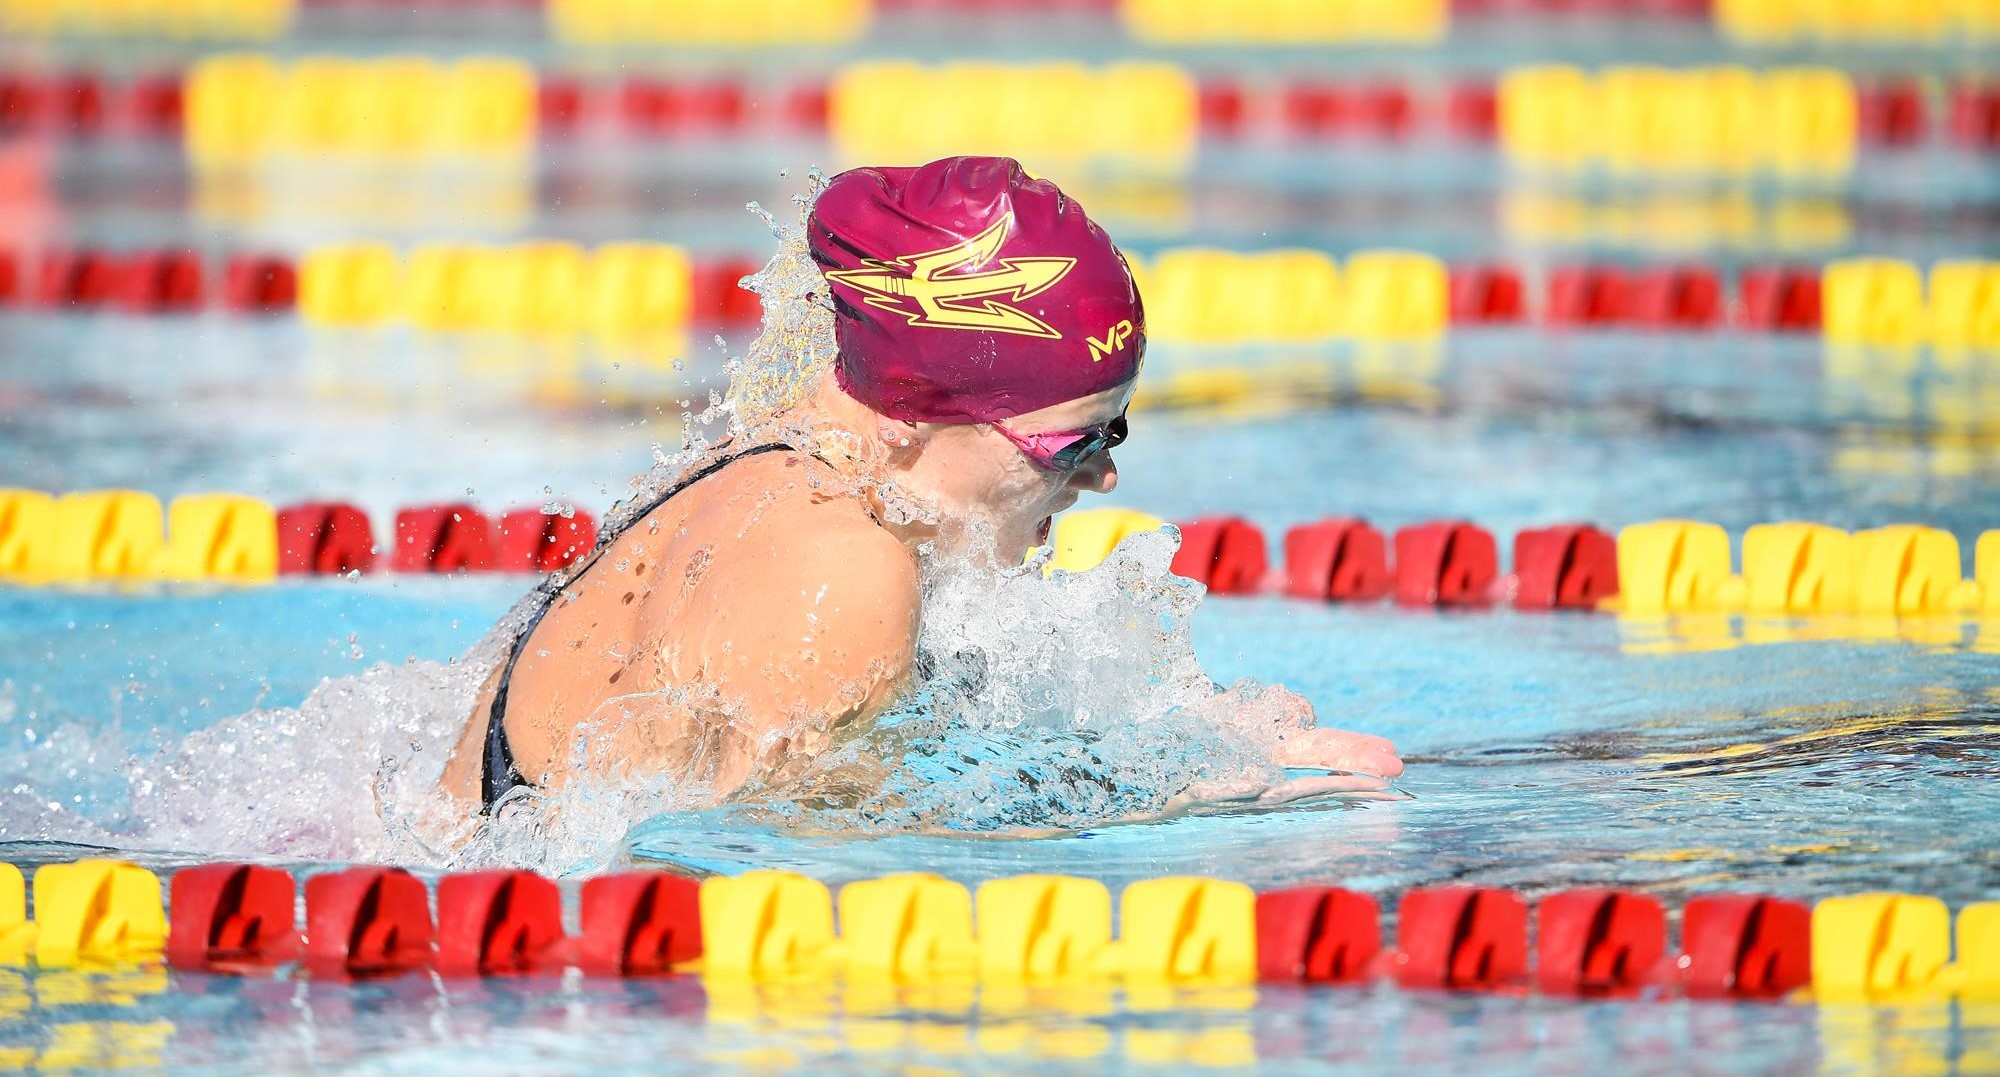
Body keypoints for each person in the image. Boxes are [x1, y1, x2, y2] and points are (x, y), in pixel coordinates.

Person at [439, 156, 1402, 814]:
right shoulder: (846, 573)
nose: (1105, 474)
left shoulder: (749, 475)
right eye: (1070, 442)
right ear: (919, 407)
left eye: (1114, 429)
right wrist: (1184, 789)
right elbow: (782, 865)